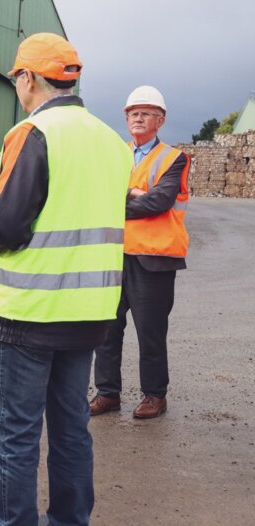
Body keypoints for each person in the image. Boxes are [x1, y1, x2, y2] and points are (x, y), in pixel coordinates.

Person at [0, 33, 132, 525]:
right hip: (89, 315)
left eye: (17, 77)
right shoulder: (111, 141)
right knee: (71, 431)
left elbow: (6, 228)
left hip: (28, 315)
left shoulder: (32, 134)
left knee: (17, 440)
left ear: (28, 78)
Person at [90, 86, 190, 419]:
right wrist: (131, 196)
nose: (137, 117)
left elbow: (158, 201)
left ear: (160, 120)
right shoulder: (115, 153)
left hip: (154, 259)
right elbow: (100, 195)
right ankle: (107, 393)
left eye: (145, 112)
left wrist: (124, 200)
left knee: (150, 332)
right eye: (133, 112)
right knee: (106, 328)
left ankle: (154, 396)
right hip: (115, 255)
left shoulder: (174, 158)